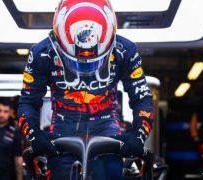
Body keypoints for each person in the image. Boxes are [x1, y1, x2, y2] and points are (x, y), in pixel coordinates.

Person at [18, 0, 154, 179]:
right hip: (62, 127)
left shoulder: (125, 50)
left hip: (106, 127)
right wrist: (35, 135)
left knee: (111, 172)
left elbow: (142, 98)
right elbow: (28, 101)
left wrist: (138, 135)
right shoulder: (41, 53)